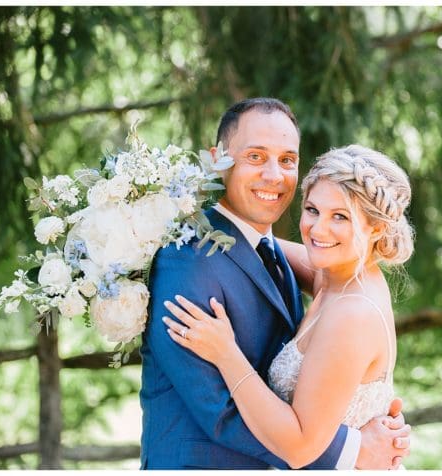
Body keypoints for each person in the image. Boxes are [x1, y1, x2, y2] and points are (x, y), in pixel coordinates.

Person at [139, 98, 410, 469]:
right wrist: (354, 447)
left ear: (376, 228)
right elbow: (221, 412)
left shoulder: (334, 278)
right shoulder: (187, 264)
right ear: (218, 158)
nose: (273, 175)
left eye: (287, 160)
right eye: (255, 156)